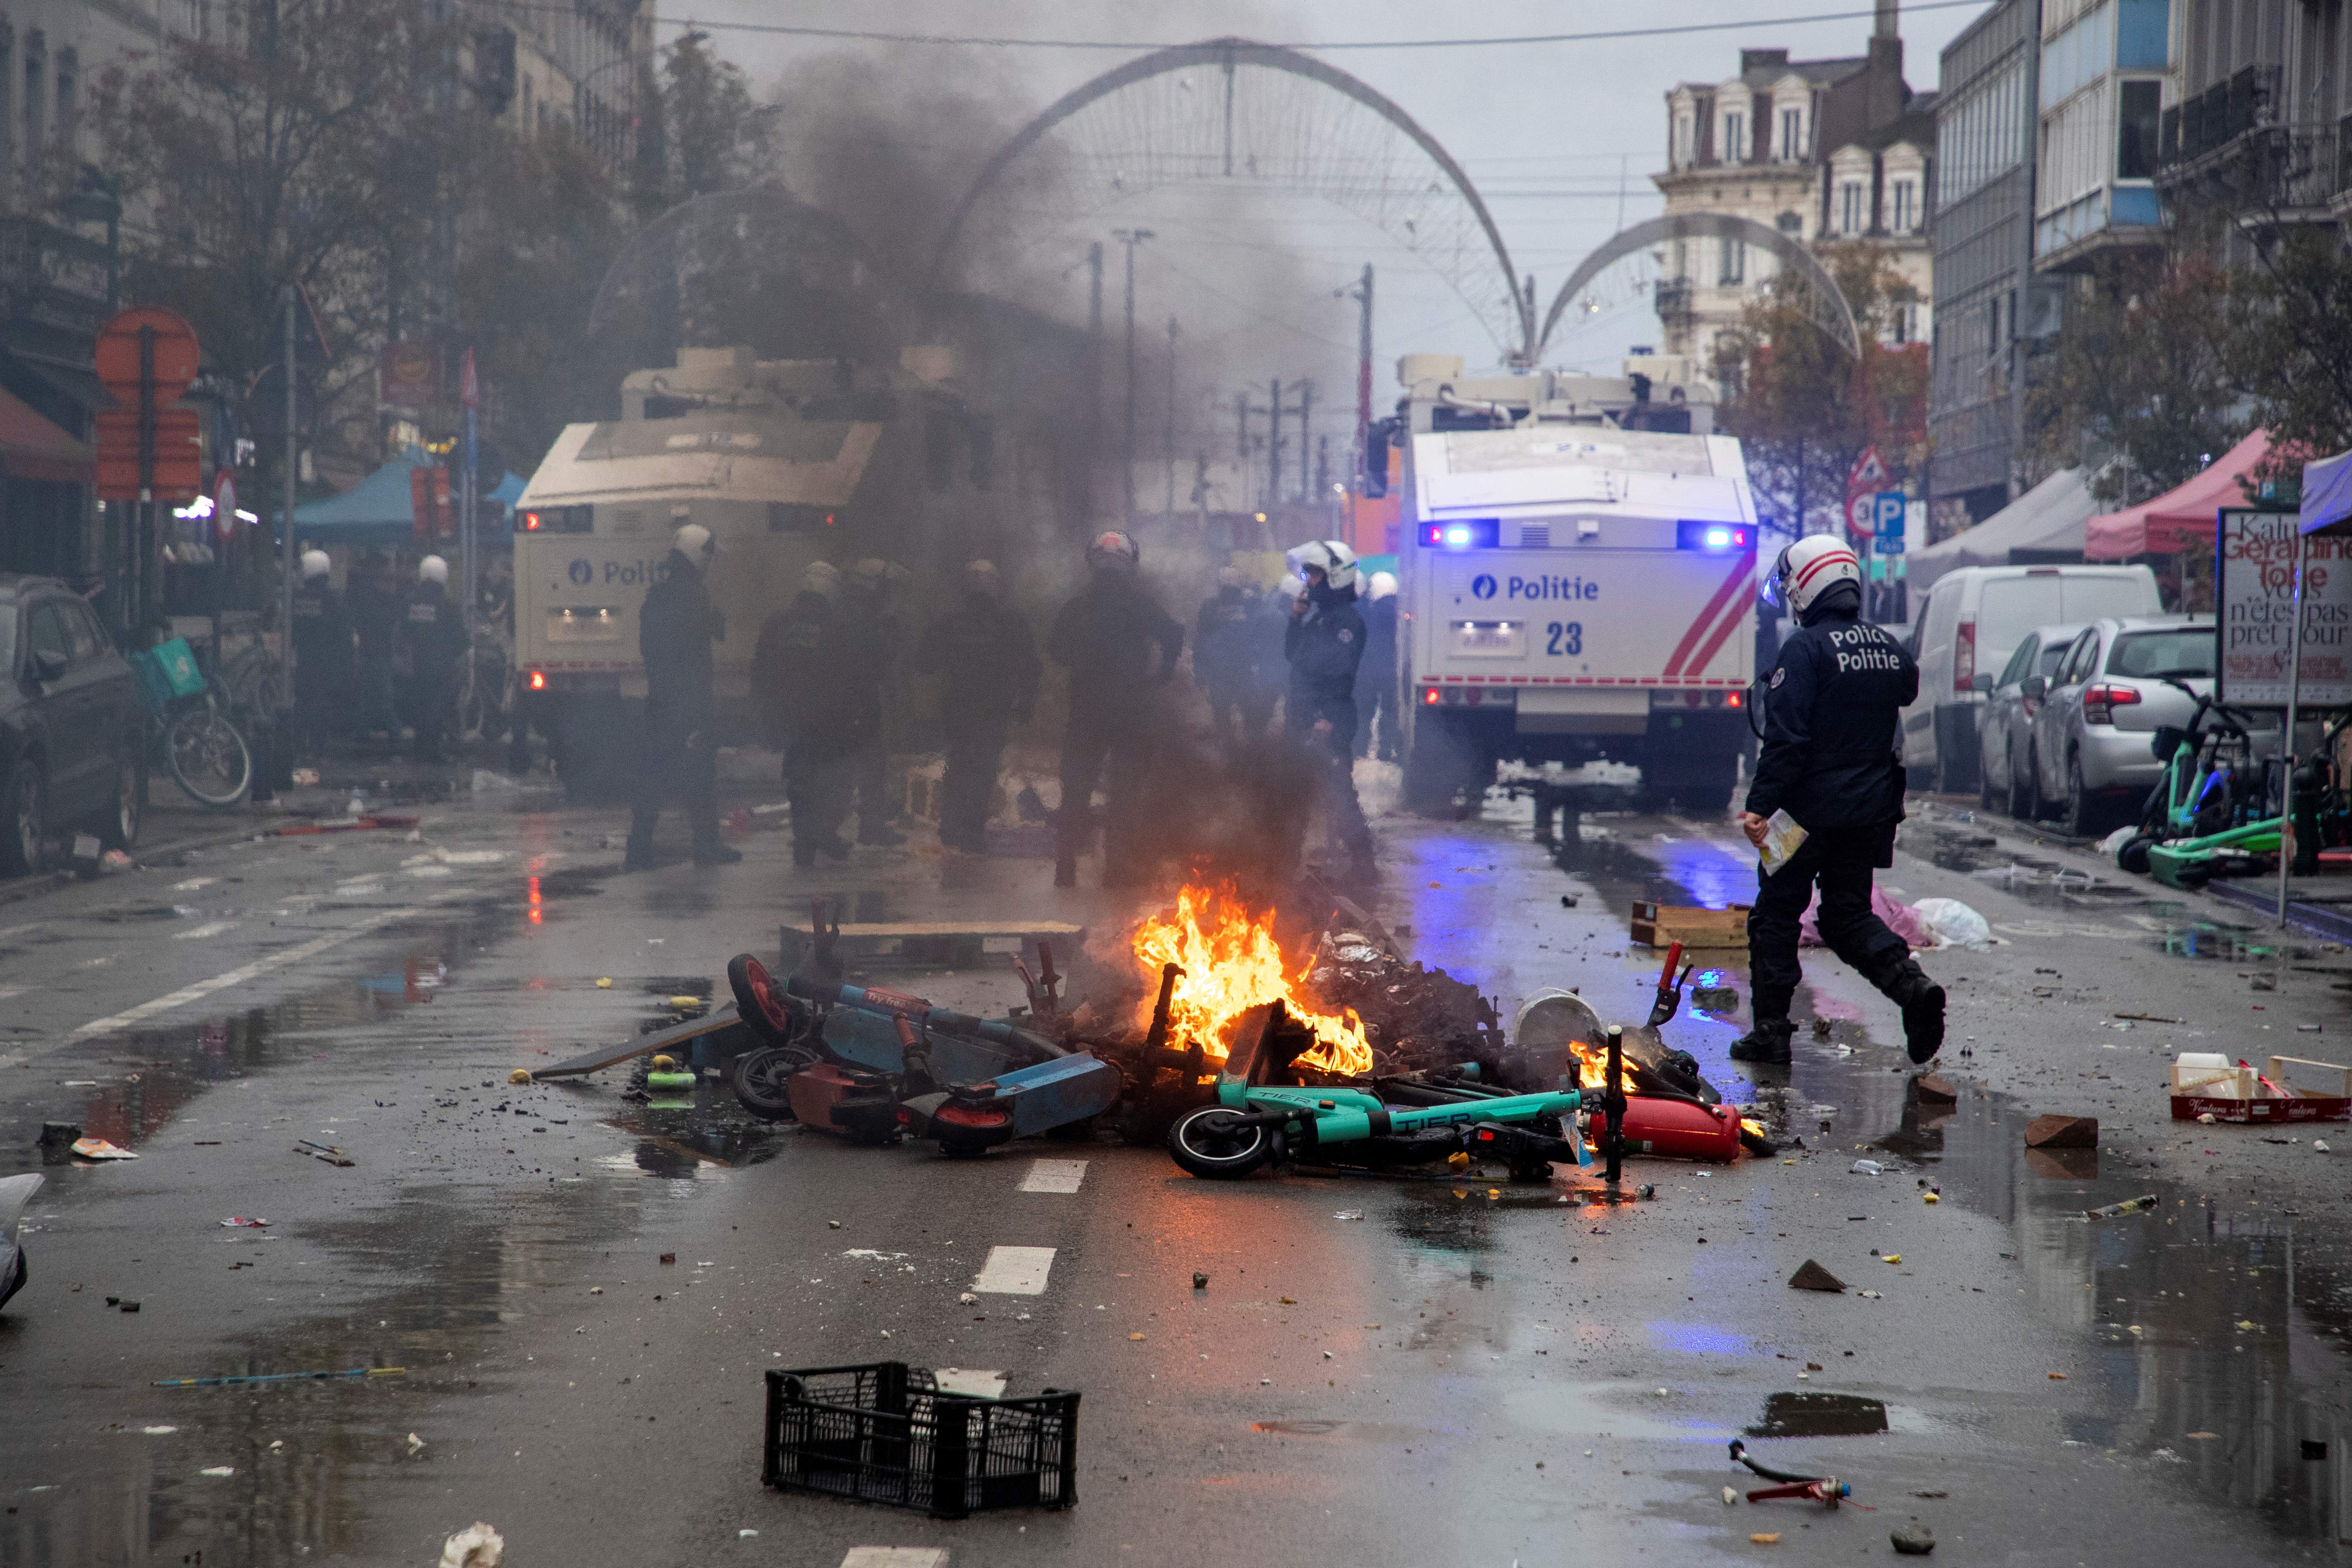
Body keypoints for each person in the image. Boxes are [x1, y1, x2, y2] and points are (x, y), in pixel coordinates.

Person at [1733, 534, 1944, 1066]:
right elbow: (1907, 688)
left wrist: (1759, 806)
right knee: (1847, 915)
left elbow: (1787, 741)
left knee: (1776, 916)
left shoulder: (1803, 651)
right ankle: (1912, 989)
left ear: (1804, 588)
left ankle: (1771, 1032)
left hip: (1799, 815)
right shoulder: (1886, 648)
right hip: (1868, 811)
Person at [1047, 529, 1183, 888]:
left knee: (1075, 790)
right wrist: (1161, 675)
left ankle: (1065, 867)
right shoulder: (1140, 606)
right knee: (1124, 793)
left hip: (1086, 714)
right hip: (1130, 714)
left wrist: (1083, 659)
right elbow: (1174, 634)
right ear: (1130, 563)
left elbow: (1055, 651)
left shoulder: (1077, 608)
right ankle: (1116, 870)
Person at [627, 523, 739, 869]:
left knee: (653, 778)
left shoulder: (657, 595)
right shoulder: (694, 594)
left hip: (661, 700)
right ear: (698, 555)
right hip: (690, 703)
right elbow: (718, 628)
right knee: (701, 775)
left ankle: (638, 851)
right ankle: (706, 847)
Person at [915, 559, 1041, 853]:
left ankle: (952, 827)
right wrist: (1026, 702)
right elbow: (1031, 666)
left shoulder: (949, 622)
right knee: (982, 769)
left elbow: (924, 663)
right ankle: (970, 830)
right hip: (993, 708)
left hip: (959, 707)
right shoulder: (1010, 621)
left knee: (960, 764)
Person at [1285, 539, 1375, 879]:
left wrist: (1324, 719)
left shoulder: (1345, 623)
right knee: (1292, 788)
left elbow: (1338, 674)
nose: (1310, 582)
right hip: (1304, 717)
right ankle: (1283, 859)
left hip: (1328, 720)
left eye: (1317, 575)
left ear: (1336, 577)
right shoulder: (1320, 619)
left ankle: (1365, 866)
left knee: (1338, 793)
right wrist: (1295, 619)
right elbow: (1293, 657)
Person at [756, 561, 855, 867]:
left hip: (791, 719)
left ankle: (806, 838)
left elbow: (761, 672)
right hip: (830, 719)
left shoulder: (777, 624)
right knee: (836, 779)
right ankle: (823, 833)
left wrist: (765, 715)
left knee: (799, 780)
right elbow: (852, 674)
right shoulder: (840, 626)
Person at [839, 557, 907, 847]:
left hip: (843, 703)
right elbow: (880, 663)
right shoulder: (865, 622)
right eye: (886, 589)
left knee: (846, 768)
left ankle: (825, 829)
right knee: (870, 767)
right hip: (860, 704)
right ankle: (870, 828)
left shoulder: (846, 614)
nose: (889, 596)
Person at [401, 555, 468, 762]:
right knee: (437, 709)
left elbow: (402, 633)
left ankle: (420, 748)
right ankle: (433, 750)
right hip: (442, 667)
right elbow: (462, 641)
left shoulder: (409, 602)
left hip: (417, 665)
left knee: (420, 707)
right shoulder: (447, 607)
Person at [289, 549, 352, 756]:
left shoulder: (297, 598)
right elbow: (343, 632)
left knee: (303, 703)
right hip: (328, 661)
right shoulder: (333, 598)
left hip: (304, 660)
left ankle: (298, 744)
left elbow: (292, 630)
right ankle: (317, 747)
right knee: (322, 705)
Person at [1193, 567, 1262, 744]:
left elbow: (1200, 641)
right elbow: (1201, 640)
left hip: (1236, 669)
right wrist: (1200, 671)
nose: (1229, 593)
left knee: (1243, 712)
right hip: (1225, 669)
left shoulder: (1249, 605)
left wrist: (1200, 671)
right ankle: (1236, 749)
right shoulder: (1214, 606)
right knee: (1228, 712)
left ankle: (1245, 748)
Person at [346, 549, 403, 739]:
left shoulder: (370, 599)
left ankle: (363, 730)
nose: (392, 583)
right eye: (387, 578)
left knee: (368, 693)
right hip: (377, 652)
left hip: (370, 651)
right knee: (383, 693)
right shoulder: (379, 601)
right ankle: (393, 731)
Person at [1356, 570, 1400, 761]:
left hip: (1367, 668)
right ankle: (1386, 748)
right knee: (1390, 711)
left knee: (1364, 711)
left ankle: (1359, 748)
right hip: (1391, 668)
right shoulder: (1399, 612)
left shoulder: (1366, 611)